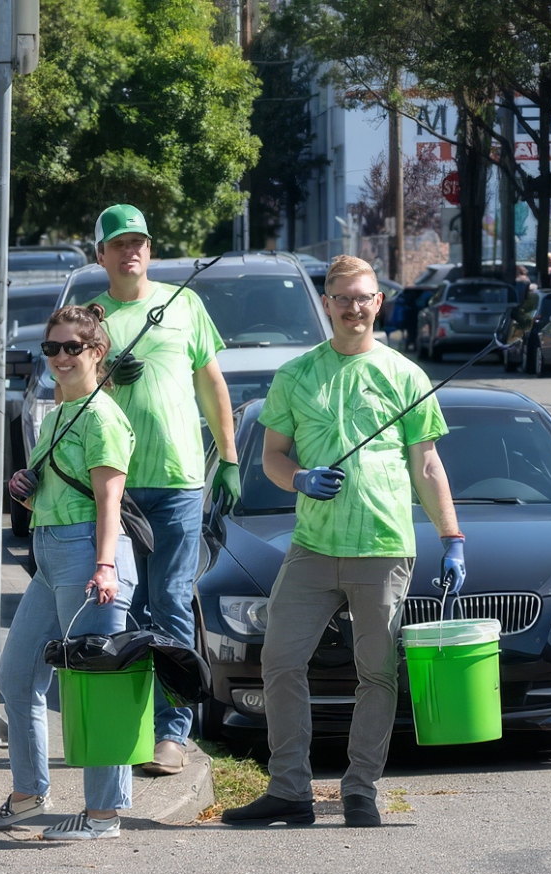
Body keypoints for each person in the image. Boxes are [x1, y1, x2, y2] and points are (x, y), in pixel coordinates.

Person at [221, 255, 461, 829]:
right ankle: (290, 791)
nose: (353, 307)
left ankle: (361, 791)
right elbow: (273, 458)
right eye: (342, 298)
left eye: (363, 297)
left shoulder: (405, 375)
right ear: (326, 305)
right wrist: (298, 478)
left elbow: (427, 465)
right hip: (311, 546)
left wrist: (452, 537)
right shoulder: (296, 375)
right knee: (279, 661)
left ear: (379, 302)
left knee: (375, 672)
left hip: (383, 545)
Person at [86, 204, 238, 776]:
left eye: (141, 242)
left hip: (177, 479)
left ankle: (173, 734)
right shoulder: (92, 316)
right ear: (100, 253)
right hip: (113, 485)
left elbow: (211, 383)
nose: (132, 251)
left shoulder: (183, 305)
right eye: (120, 242)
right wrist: (101, 374)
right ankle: (131, 723)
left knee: (171, 601)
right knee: (124, 605)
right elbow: (66, 392)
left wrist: (227, 458)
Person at [0, 304, 139, 841]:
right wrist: (29, 485)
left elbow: (108, 499)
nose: (60, 357)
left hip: (91, 557)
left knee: (97, 685)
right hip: (51, 556)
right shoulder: (54, 415)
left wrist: (104, 565)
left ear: (97, 352)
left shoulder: (102, 416)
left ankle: (103, 815)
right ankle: (29, 795)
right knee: (17, 676)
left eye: (72, 347)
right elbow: (60, 485)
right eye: (51, 348)